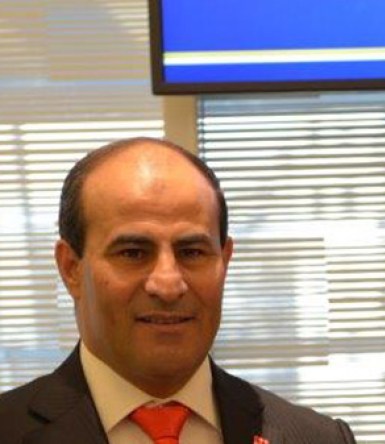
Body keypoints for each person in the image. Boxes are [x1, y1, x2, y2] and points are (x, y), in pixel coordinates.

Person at [0, 138, 356, 444]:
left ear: (224, 261)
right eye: (133, 253)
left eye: (192, 252)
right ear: (71, 268)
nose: (168, 285)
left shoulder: (317, 438)